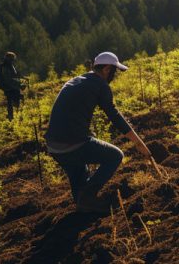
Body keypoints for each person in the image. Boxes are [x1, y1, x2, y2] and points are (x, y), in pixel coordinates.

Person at [45, 52, 156, 213]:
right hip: (73, 143)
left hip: (54, 146)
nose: (114, 75)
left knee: (80, 176)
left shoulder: (77, 80)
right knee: (115, 156)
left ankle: (83, 205)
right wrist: (139, 144)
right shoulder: (100, 85)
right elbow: (114, 116)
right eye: (114, 71)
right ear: (106, 69)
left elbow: (69, 113)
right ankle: (87, 197)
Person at [0, 51, 25, 120]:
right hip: (9, 86)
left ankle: (11, 116)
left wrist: (22, 78)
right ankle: (14, 116)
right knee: (15, 100)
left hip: (7, 86)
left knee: (11, 100)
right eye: (12, 59)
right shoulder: (6, 67)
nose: (13, 61)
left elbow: (15, 75)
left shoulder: (9, 65)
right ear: (9, 59)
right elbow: (9, 79)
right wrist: (20, 85)